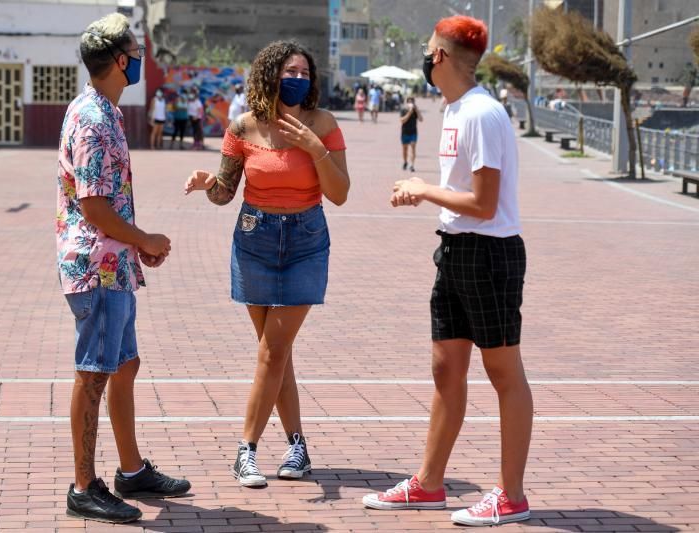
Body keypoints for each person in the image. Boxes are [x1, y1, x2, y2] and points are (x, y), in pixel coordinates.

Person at [362, 15, 532, 527]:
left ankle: (511, 495)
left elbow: (484, 202)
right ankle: (428, 485)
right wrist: (430, 197)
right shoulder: (457, 109)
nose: (423, 54)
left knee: (504, 374)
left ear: (440, 57)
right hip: (456, 249)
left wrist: (422, 188)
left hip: (490, 254)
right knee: (445, 368)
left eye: (428, 48)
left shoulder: (482, 114)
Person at [184, 40, 350, 489]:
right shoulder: (243, 127)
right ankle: (297, 445)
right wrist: (207, 185)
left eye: (305, 72)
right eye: (290, 71)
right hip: (254, 241)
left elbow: (340, 193)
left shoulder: (324, 124)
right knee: (276, 355)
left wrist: (315, 148)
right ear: (270, 75)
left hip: (306, 243)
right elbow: (225, 191)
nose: (299, 79)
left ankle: (246, 451)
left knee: (272, 352)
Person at [56, 13, 191, 524]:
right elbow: (93, 207)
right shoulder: (92, 118)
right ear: (118, 60)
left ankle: (131, 470)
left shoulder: (104, 109)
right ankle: (83, 485)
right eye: (135, 51)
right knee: (94, 372)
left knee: (125, 362)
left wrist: (138, 247)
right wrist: (146, 239)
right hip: (96, 266)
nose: (140, 59)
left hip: (114, 262)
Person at [399, 96, 423, 172]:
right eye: (409, 101)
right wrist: (409, 113)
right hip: (405, 132)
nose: (410, 103)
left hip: (413, 132)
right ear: (406, 102)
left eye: (412, 102)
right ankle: (405, 162)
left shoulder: (415, 111)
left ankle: (412, 165)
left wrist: (417, 110)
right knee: (405, 149)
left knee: (413, 147)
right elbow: (402, 120)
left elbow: (421, 119)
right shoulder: (403, 110)